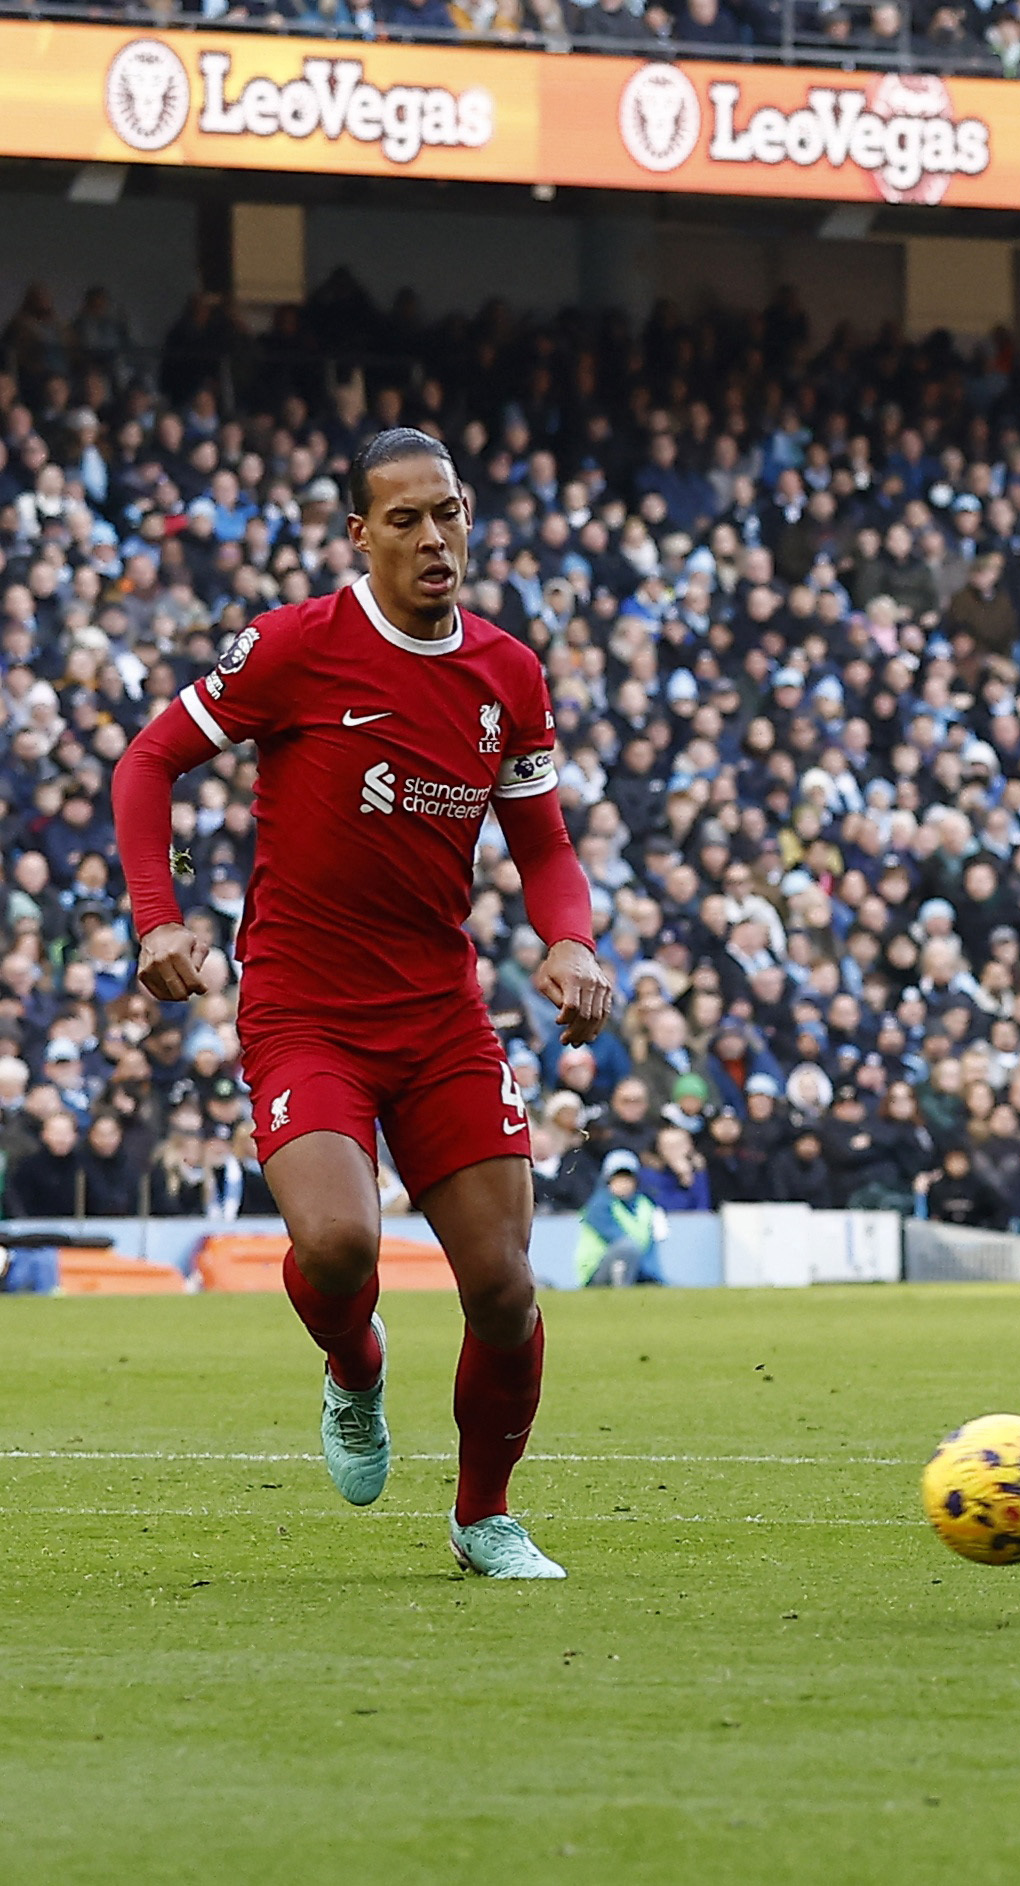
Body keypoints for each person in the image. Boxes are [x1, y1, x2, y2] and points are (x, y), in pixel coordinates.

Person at [112, 427, 615, 1581]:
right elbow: (147, 763)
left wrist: (571, 941)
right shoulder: (296, 647)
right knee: (338, 1243)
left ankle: (482, 1516)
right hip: (305, 1005)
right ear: (360, 534)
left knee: (503, 1284)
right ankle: (354, 1366)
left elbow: (544, 844)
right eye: (405, 519)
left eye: (449, 512)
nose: (434, 537)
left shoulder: (507, 672)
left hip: (440, 1010)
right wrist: (157, 914)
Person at [572, 1150, 669, 1286]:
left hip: (636, 1267)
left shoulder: (645, 1205)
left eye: (627, 1179)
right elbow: (618, 1238)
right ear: (607, 1180)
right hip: (596, 1271)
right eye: (618, 1179)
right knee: (626, 1247)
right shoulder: (598, 1205)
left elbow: (650, 1245)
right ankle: (621, 1288)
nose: (623, 1184)